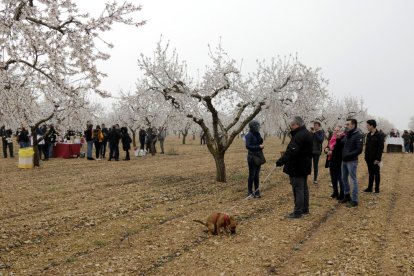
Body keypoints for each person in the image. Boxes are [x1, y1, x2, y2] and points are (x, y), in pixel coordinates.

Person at [276, 116, 313, 218]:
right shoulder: (308, 134)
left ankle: (297, 212)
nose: (291, 127)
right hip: (305, 165)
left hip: (297, 166)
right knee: (304, 188)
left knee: (298, 189)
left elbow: (292, 150)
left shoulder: (299, 135)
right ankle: (305, 209)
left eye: (292, 125)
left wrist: (281, 160)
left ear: (297, 124)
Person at [340, 118, 364, 207]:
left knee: (353, 179)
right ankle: (347, 196)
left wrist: (348, 155)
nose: (346, 126)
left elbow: (359, 149)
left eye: (348, 124)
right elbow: (343, 143)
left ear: (353, 125)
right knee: (344, 178)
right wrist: (341, 137)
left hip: (352, 161)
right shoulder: (348, 134)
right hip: (344, 160)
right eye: (346, 124)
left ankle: (355, 200)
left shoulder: (358, 135)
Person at [245, 120, 265, 198]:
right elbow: (248, 146)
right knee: (252, 175)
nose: (258, 128)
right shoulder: (249, 135)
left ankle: (257, 191)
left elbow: (260, 141)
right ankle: (250, 191)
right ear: (253, 127)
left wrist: (259, 136)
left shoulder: (256, 134)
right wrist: (258, 147)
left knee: (256, 175)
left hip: (258, 156)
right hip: (252, 157)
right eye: (257, 126)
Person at [324, 126, 345, 199]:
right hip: (331, 160)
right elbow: (327, 146)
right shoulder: (332, 138)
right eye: (335, 130)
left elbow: (340, 150)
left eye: (338, 130)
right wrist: (326, 149)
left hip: (339, 161)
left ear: (341, 131)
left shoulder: (343, 138)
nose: (336, 131)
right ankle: (335, 192)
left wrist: (331, 152)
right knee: (333, 178)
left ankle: (342, 194)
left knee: (340, 178)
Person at [364, 120, 385, 193]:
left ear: (372, 125)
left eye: (368, 125)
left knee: (376, 173)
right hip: (368, 158)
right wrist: (365, 156)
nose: (366, 126)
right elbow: (367, 146)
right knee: (370, 173)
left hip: (375, 159)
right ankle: (369, 188)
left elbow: (380, 148)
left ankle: (377, 189)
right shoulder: (368, 135)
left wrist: (378, 159)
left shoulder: (379, 135)